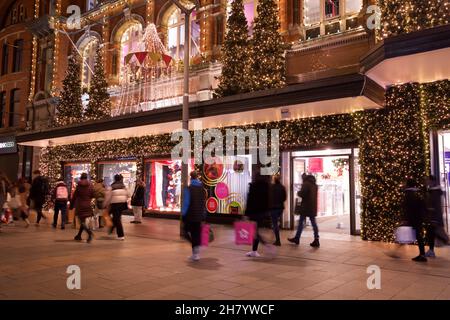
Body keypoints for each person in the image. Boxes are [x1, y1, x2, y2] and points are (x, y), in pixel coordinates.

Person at [288, 174, 320, 247]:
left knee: (301, 223)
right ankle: (316, 238)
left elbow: (302, 194)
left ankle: (297, 238)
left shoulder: (306, 184)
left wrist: (298, 192)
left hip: (305, 207)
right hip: (312, 207)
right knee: (313, 223)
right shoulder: (315, 185)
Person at [182, 171, 206, 261]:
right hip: (199, 215)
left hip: (190, 215)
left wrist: (183, 215)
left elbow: (186, 203)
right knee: (196, 233)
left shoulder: (188, 188)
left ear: (190, 178)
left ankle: (195, 250)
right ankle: (196, 253)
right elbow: (203, 203)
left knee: (187, 232)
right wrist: (204, 214)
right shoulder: (201, 188)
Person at [245, 173, 271, 257]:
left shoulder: (253, 186)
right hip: (262, 212)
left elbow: (250, 201)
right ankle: (254, 251)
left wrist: (246, 213)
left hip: (254, 212)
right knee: (255, 231)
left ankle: (266, 245)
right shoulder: (266, 187)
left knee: (254, 232)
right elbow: (268, 200)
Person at [403, 178, 427, 262]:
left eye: (405, 183)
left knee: (416, 236)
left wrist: (406, 219)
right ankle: (422, 254)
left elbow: (408, 208)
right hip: (418, 218)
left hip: (413, 219)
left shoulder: (408, 194)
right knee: (418, 236)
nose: (404, 184)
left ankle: (422, 255)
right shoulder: (418, 193)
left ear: (408, 184)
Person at [70, 173, 95, 243]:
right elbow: (93, 195)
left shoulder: (79, 186)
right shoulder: (90, 185)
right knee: (83, 222)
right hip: (88, 205)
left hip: (80, 205)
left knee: (82, 222)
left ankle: (89, 233)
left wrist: (71, 206)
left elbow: (74, 197)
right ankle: (78, 235)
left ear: (81, 177)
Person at [104, 174, 129, 240]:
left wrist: (105, 204)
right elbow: (129, 194)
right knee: (116, 218)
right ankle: (112, 229)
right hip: (122, 204)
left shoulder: (112, 187)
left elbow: (108, 197)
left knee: (117, 219)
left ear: (114, 179)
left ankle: (121, 235)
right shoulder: (123, 186)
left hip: (114, 205)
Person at [424, 175, 444, 258]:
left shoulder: (434, 192)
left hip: (433, 218)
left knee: (432, 234)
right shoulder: (432, 191)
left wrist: (435, 219)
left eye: (428, 180)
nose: (426, 182)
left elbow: (437, 206)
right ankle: (431, 251)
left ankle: (431, 251)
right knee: (432, 234)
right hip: (432, 218)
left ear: (432, 181)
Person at [269, 175, 286, 246]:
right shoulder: (282, 187)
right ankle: (275, 230)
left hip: (273, 208)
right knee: (275, 222)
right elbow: (284, 198)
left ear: (274, 179)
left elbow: (269, 197)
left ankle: (278, 240)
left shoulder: (272, 187)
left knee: (275, 223)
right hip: (280, 208)